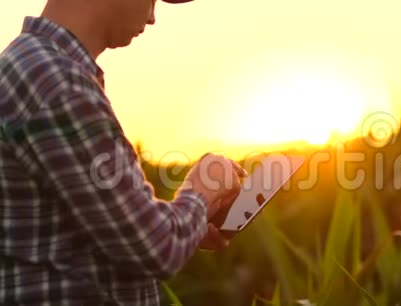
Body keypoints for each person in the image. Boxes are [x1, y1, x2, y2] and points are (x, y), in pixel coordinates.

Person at [0, 0, 246, 305]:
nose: (153, 16)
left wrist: (190, 226)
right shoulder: (59, 83)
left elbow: (86, 240)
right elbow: (154, 248)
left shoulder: (34, 67)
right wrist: (204, 188)